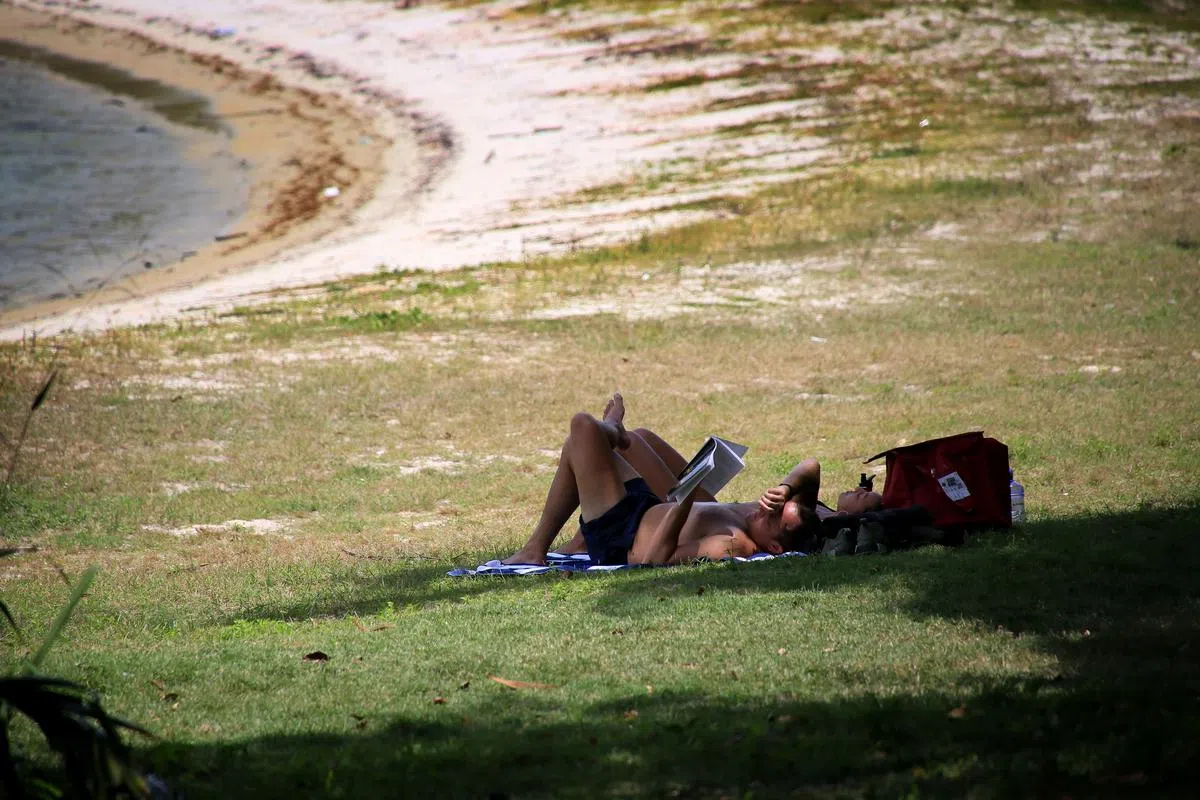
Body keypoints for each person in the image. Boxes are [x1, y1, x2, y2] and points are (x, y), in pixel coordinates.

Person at [502, 394, 826, 567]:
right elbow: (811, 466)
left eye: (773, 518)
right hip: (645, 508)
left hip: (621, 536)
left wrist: (684, 501)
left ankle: (612, 432)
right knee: (586, 443)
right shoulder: (758, 515)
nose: (766, 509)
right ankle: (537, 548)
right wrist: (786, 489)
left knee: (583, 429)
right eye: (777, 506)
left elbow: (656, 559)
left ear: (773, 546)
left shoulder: (734, 545)